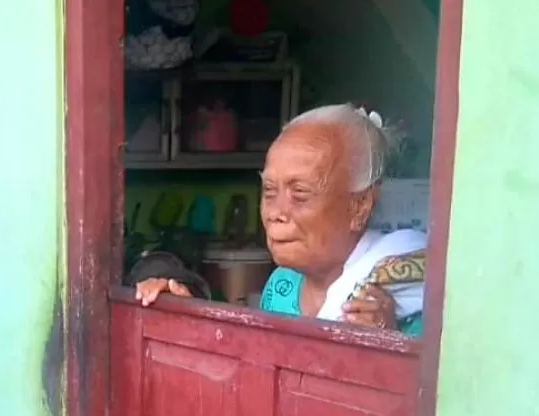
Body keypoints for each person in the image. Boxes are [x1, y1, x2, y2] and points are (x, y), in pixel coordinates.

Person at [134, 104, 428, 336]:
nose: (275, 212)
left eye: (299, 194)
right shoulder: (282, 284)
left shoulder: (410, 294)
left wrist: (389, 342)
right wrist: (184, 314)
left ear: (359, 207)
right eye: (269, 191)